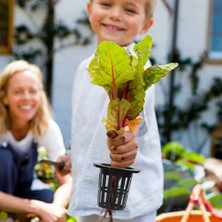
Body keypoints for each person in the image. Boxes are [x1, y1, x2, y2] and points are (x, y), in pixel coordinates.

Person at [68, 0, 163, 221]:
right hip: (89, 195)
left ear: (145, 26)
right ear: (90, 8)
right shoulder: (83, 69)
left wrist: (126, 145)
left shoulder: (138, 69)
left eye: (129, 9)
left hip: (131, 204)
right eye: (106, 4)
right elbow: (83, 128)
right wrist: (72, 156)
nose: (115, 15)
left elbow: (132, 129)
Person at [0, 60, 72, 222]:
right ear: (4, 97)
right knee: (3, 158)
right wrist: (36, 207)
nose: (27, 98)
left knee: (47, 197)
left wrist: (55, 208)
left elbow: (66, 181)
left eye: (33, 91)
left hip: (24, 190)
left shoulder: (46, 128)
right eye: (18, 92)